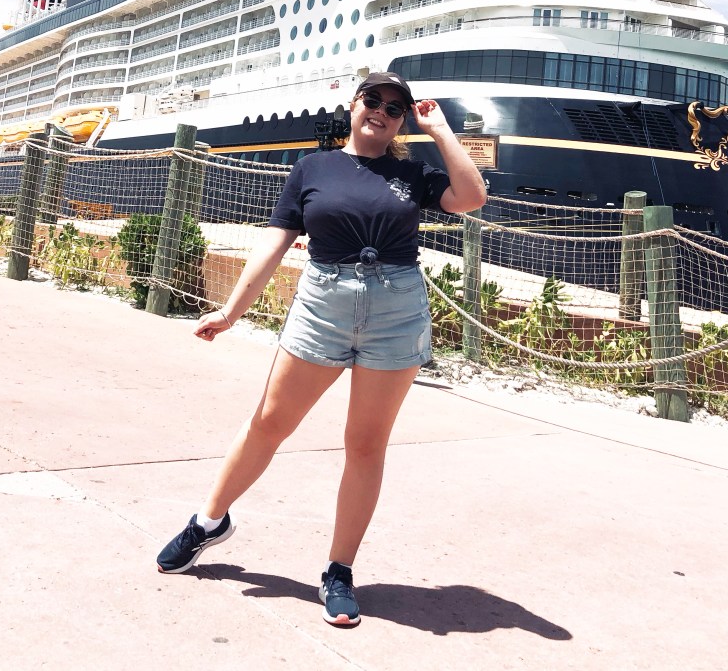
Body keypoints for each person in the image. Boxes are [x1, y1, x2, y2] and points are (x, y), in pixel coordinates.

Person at [156, 71, 487, 627]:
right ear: (352, 105)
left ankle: (339, 569)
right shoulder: (313, 168)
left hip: (395, 309)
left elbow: (473, 197)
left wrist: (441, 130)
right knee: (269, 422)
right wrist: (231, 311)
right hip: (323, 304)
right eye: (373, 100)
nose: (381, 111)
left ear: (404, 118)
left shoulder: (415, 173)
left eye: (395, 106)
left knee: (364, 444)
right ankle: (209, 522)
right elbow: (275, 241)